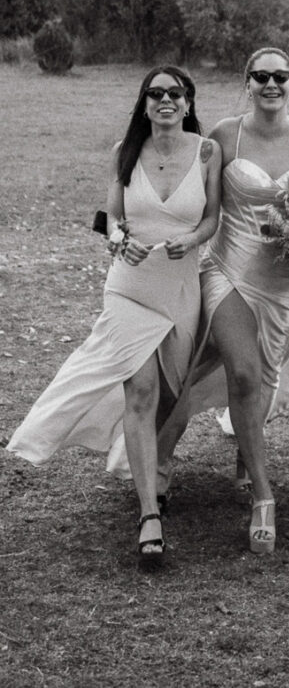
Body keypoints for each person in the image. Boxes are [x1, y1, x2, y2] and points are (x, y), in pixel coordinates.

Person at [6, 66, 221, 568]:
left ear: (188, 102)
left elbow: (212, 217)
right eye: (155, 94)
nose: (165, 100)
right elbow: (114, 221)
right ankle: (150, 515)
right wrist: (120, 242)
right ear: (144, 103)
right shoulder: (124, 155)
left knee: (170, 392)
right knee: (141, 390)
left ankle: (152, 467)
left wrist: (191, 239)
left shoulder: (208, 152)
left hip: (180, 288)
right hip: (129, 290)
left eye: (175, 93)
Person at [198, 47, 289, 553]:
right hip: (227, 271)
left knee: (265, 378)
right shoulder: (225, 135)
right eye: (260, 76)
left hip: (285, 286)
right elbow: (201, 204)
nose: (271, 84)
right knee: (245, 374)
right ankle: (264, 498)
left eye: (280, 77)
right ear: (246, 82)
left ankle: (243, 460)